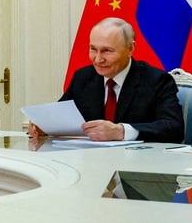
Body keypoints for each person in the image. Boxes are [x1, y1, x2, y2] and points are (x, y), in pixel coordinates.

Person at [30, 17, 183, 143]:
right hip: (90, 166)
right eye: (93, 49)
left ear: (130, 49)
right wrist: (45, 126)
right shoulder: (83, 77)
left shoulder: (157, 80)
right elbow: (60, 116)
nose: (98, 59)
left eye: (107, 51)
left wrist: (121, 131)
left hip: (138, 171)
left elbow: (174, 129)